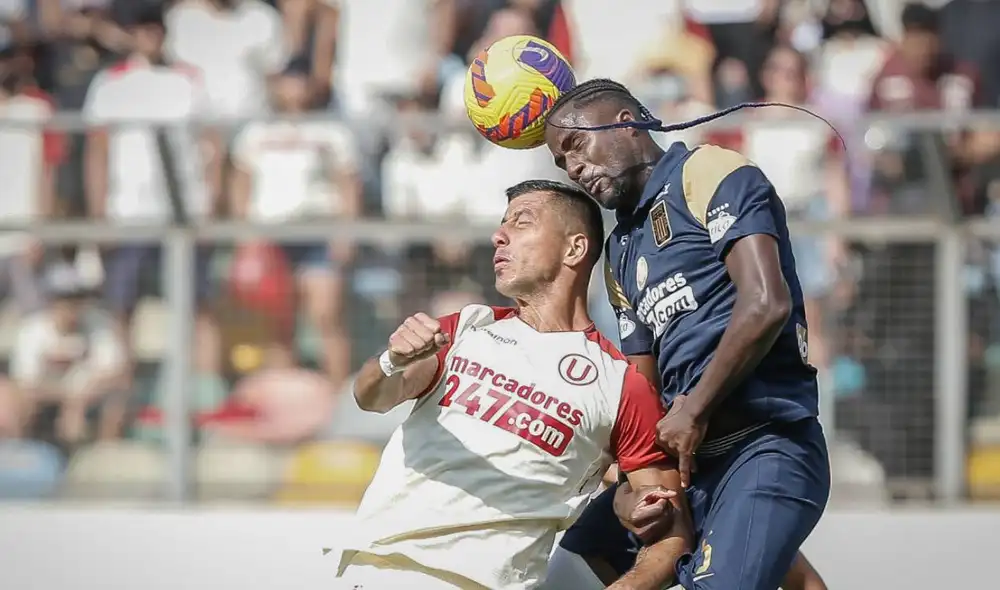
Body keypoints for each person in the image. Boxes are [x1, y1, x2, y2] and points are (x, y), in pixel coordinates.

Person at [542, 78, 831, 589]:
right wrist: (629, 482)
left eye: (576, 145)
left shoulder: (708, 171)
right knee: (570, 567)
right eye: (562, 162)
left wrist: (694, 408)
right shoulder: (620, 248)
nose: (574, 168)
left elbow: (767, 303)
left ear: (627, 123)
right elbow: (642, 384)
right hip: (689, 466)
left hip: (765, 446)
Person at [337, 179, 690, 590]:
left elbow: (672, 535)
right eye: (502, 223)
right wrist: (391, 360)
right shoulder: (467, 327)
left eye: (522, 222)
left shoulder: (620, 383)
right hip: (379, 571)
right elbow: (372, 397)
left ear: (574, 249)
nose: (498, 236)